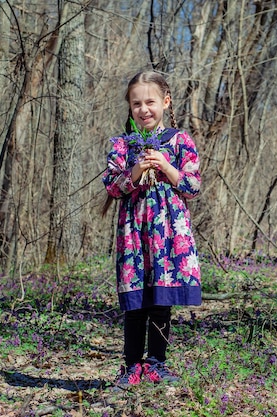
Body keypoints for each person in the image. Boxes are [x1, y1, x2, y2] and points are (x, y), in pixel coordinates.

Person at [102, 71, 201, 387]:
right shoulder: (122, 144)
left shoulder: (180, 140)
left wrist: (166, 166)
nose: (144, 109)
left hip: (168, 236)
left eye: (150, 102)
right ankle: (131, 367)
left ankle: (157, 364)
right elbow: (113, 187)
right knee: (136, 302)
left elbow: (192, 185)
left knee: (160, 302)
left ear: (165, 102)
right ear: (129, 107)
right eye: (136, 104)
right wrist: (137, 169)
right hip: (134, 234)